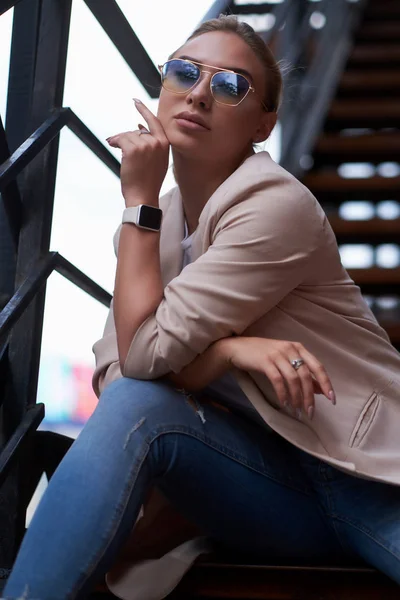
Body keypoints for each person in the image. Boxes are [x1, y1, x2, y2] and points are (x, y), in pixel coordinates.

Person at [4, 14, 400, 600]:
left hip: (369, 478)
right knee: (138, 405)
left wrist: (137, 201)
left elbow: (143, 356)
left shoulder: (274, 205)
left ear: (264, 122)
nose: (197, 92)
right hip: (269, 488)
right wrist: (230, 351)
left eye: (230, 84)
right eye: (183, 72)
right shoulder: (149, 231)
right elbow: (121, 381)